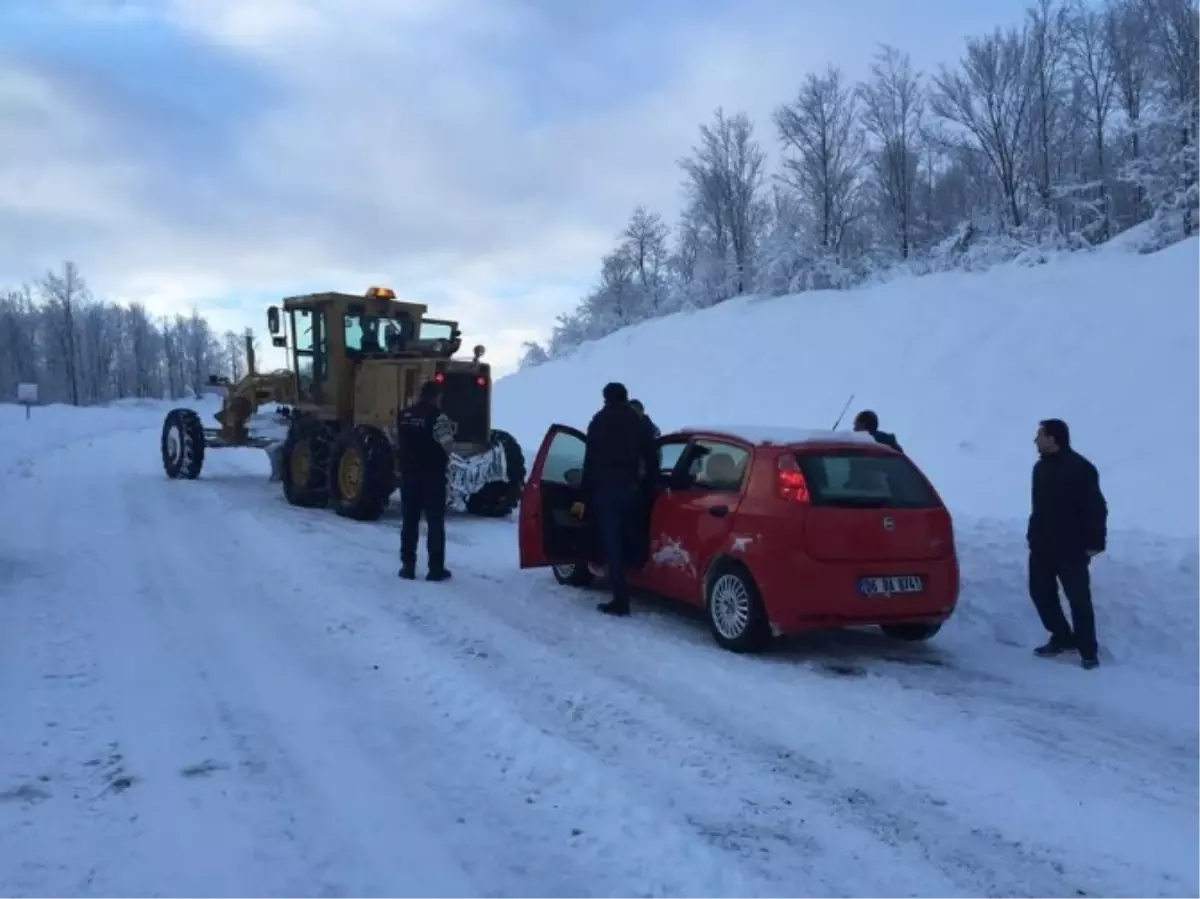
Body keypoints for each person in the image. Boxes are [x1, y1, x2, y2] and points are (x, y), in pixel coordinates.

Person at [1027, 418, 1108, 669]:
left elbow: (1097, 508)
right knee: (1041, 593)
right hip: (1042, 545)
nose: (1035, 440)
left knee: (1078, 599)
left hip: (1071, 547)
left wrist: (1095, 542)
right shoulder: (1039, 469)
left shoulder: (1081, 468)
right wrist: (1033, 535)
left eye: (1040, 435)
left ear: (1053, 439)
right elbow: (1038, 507)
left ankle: (1088, 651)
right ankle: (1061, 636)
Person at [573, 382, 658, 617]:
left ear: (606, 398)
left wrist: (583, 495)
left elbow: (589, 462)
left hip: (606, 492)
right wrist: (652, 485)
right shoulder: (638, 422)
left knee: (613, 545)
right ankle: (641, 582)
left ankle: (621, 600)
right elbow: (651, 456)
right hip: (633, 490)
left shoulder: (598, 422)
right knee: (634, 535)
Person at [396, 380, 456, 581]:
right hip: (432, 478)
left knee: (409, 522)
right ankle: (435, 569)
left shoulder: (404, 415)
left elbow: (398, 442)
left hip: (409, 477)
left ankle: (407, 566)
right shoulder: (438, 418)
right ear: (436, 397)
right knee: (435, 523)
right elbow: (447, 445)